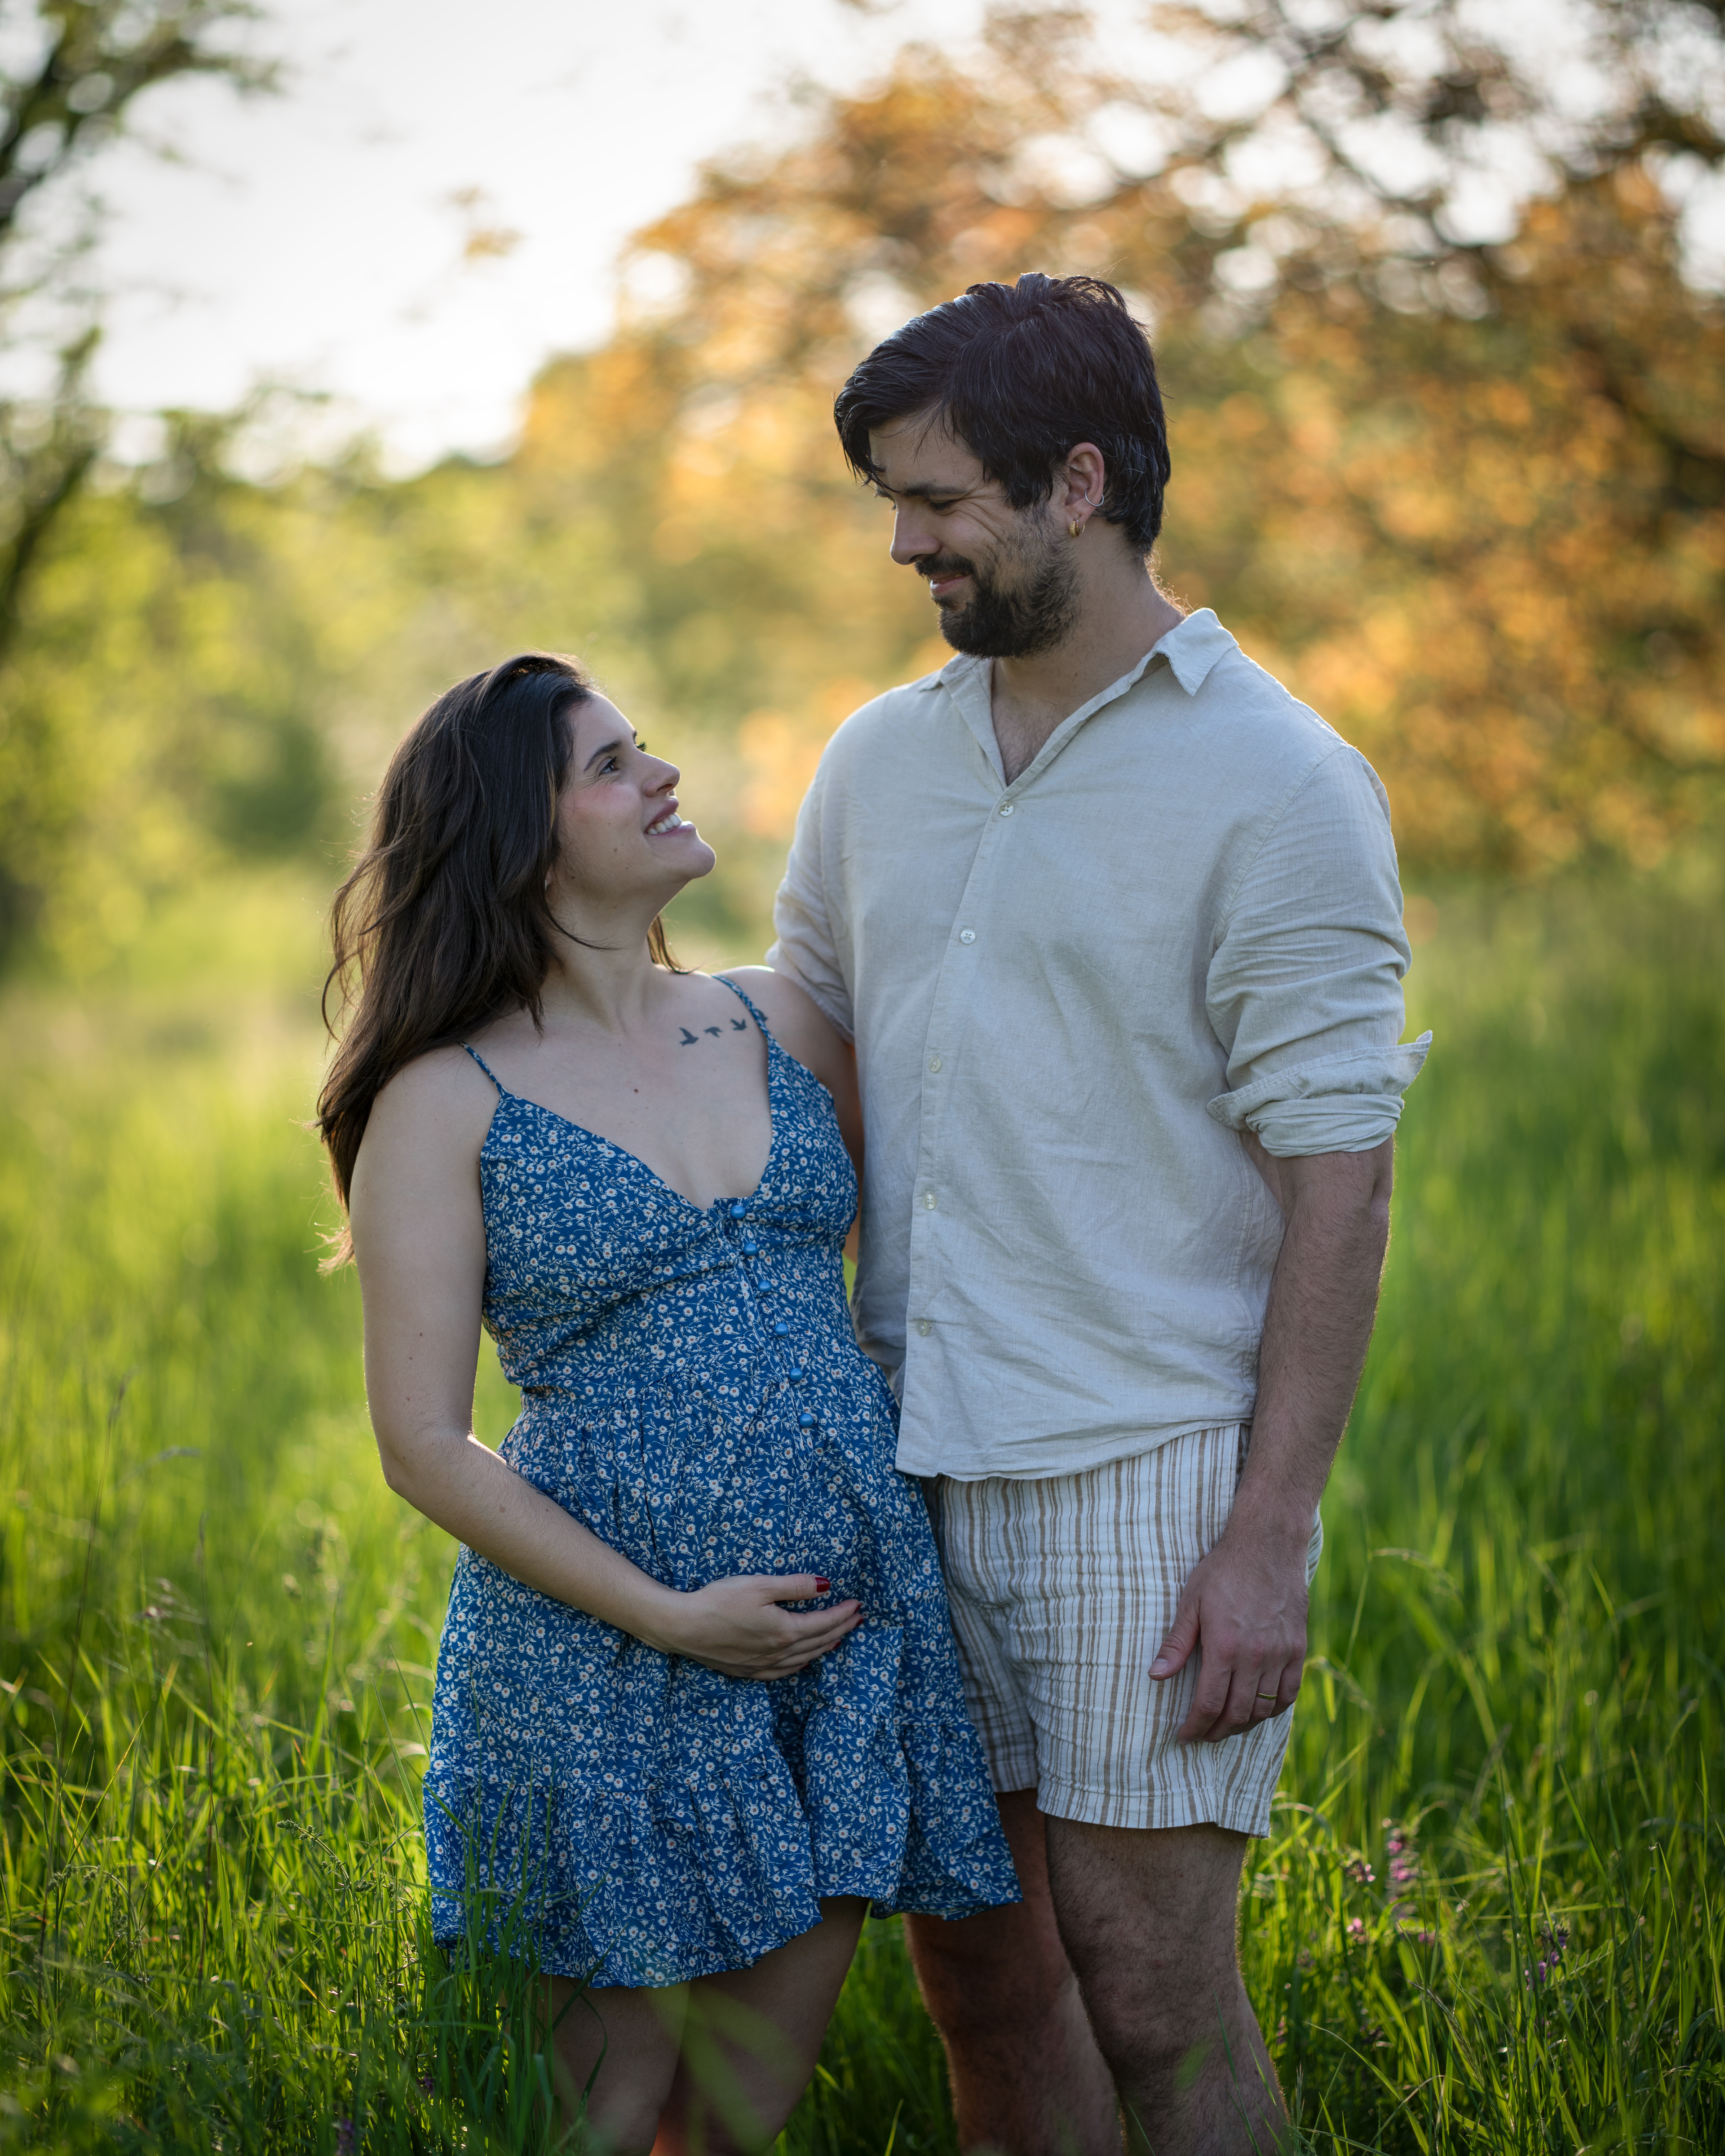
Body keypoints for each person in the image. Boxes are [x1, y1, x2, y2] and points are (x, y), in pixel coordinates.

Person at [766, 273, 1430, 2156]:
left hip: (1141, 1459)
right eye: (889, 501)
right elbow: (803, 1029)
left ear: (1076, 483)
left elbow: (1341, 1179)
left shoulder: (1282, 784)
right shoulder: (877, 759)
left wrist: (1268, 1539)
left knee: (1155, 1996)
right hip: (903, 1447)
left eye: (939, 501)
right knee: (982, 1981)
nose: (904, 544)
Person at [315, 654, 1018, 2154]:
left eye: (650, 750)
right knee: (593, 2117)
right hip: (599, 1664)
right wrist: (668, 1612)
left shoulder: (777, 1020)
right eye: (613, 765)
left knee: (741, 2115)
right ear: (523, 832)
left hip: (834, 1633)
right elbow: (422, 1446)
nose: (664, 778)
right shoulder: (444, 1098)